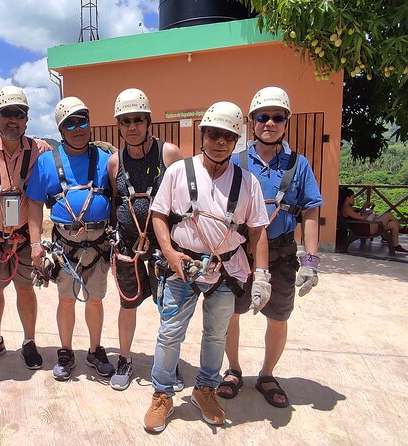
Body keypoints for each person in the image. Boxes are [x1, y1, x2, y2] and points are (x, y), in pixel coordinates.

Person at [143, 101, 269, 431]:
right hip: (181, 267)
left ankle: (205, 389)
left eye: (228, 136)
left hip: (226, 271)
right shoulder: (178, 172)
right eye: (214, 134)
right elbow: (158, 215)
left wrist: (263, 275)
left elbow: (258, 230)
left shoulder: (247, 182)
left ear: (236, 140)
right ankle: (162, 394)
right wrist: (169, 253)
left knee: (216, 336)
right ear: (203, 135)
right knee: (170, 334)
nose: (220, 142)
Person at [220, 87, 324, 408]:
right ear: (252, 121)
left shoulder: (299, 165)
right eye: (263, 116)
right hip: (240, 252)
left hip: (281, 254)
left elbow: (309, 210)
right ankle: (234, 370)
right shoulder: (235, 162)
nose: (270, 123)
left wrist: (310, 260)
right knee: (231, 316)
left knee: (278, 317)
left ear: (286, 122)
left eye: (278, 117)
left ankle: (267, 375)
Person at [27, 96, 115, 382]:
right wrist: (36, 245)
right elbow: (33, 205)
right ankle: (65, 352)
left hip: (99, 245)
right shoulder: (46, 162)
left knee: (95, 301)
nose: (78, 128)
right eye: (70, 124)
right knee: (66, 300)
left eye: (83, 121)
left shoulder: (105, 159)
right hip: (66, 246)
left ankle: (94, 350)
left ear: (90, 122)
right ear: (61, 129)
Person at [0, 86, 51, 369]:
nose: (12, 120)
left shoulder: (42, 150)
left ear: (26, 119)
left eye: (19, 114)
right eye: (6, 114)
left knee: (25, 290)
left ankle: (28, 342)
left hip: (26, 239)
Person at [106, 88, 182, 391]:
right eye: (125, 121)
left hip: (164, 251)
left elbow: (184, 200)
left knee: (169, 310)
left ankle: (169, 363)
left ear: (149, 121)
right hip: (128, 251)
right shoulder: (115, 163)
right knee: (127, 306)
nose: (132, 126)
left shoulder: (170, 154)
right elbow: (115, 202)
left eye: (138, 120)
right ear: (119, 126)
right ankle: (125, 359)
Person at [338, 187, 406, 252]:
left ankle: (395, 245)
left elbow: (359, 213)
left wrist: (364, 207)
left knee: (393, 224)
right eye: (353, 197)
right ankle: (402, 229)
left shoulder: (348, 207)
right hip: (364, 229)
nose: (354, 199)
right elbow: (361, 218)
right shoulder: (346, 208)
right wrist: (368, 214)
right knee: (388, 215)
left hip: (365, 226)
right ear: (347, 198)